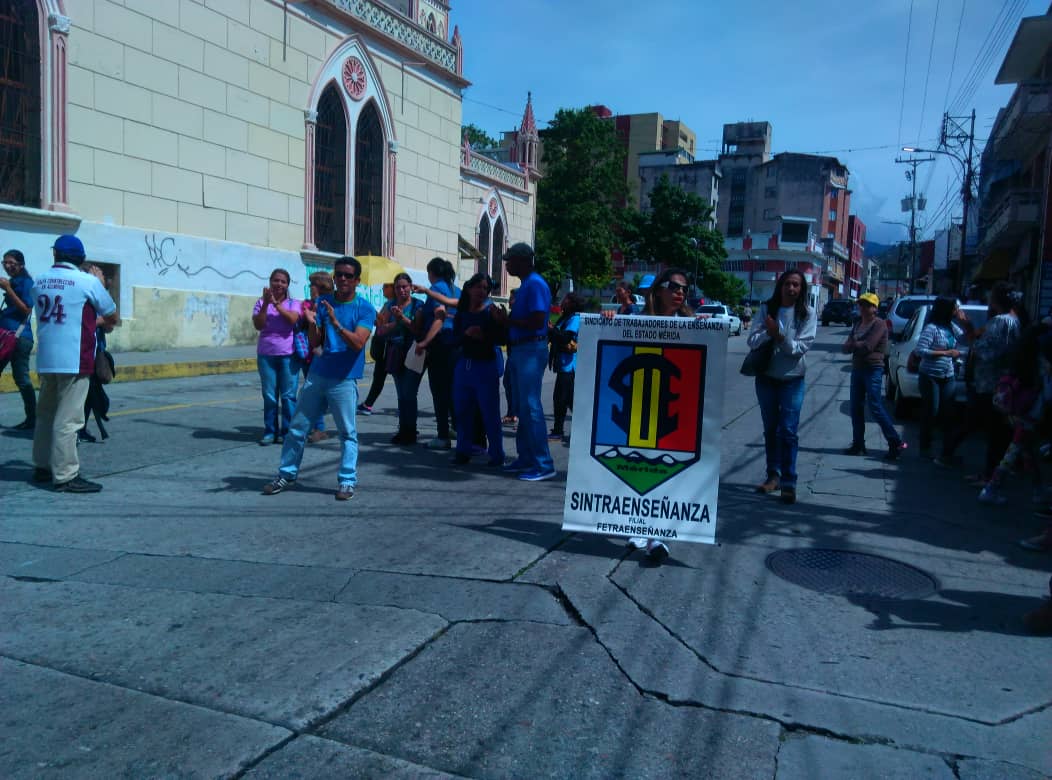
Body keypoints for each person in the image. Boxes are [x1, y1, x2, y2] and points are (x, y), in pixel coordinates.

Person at [262, 256, 376, 500]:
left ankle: (346, 481)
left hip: (344, 379)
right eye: (339, 274)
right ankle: (287, 474)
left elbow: (357, 344)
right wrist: (313, 323)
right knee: (297, 428)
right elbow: (315, 342)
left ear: (357, 280)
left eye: (348, 275)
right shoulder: (323, 301)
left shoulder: (365, 308)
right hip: (318, 374)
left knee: (347, 433)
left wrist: (335, 322)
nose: (342, 279)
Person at [602, 268, 694, 563]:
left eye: (684, 289)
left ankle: (657, 538)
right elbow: (613, 345)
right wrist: (609, 322)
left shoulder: (691, 324)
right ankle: (636, 526)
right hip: (638, 402)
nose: (680, 292)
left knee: (665, 470)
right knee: (636, 464)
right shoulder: (635, 319)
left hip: (670, 407)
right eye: (674, 286)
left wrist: (707, 328)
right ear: (658, 290)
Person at [31, 234, 118, 493]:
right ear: (80, 259)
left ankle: (42, 466)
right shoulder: (87, 281)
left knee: (45, 414)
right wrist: (100, 284)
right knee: (69, 419)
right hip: (74, 356)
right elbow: (112, 316)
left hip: (47, 357)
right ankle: (66, 474)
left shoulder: (39, 280)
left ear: (55, 255)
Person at [745, 269, 817, 504]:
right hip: (766, 378)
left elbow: (799, 349)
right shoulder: (767, 309)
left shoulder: (807, 314)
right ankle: (773, 475)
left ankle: (789, 481)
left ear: (801, 289)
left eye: (796, 285)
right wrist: (769, 332)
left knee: (787, 431)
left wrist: (780, 335)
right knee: (770, 429)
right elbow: (752, 340)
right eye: (787, 284)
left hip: (792, 379)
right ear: (781, 286)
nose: (791, 288)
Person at [944, 282, 1024, 484]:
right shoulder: (1015, 320)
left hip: (992, 384)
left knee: (993, 431)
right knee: (1000, 431)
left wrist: (968, 328)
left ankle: (991, 474)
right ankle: (1001, 470)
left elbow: (985, 351)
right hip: (1005, 384)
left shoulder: (1001, 322)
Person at [491, 242, 555, 482]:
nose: (507, 265)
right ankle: (527, 458)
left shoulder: (535, 284)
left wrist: (507, 321)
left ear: (524, 261)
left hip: (530, 348)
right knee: (521, 406)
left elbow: (538, 320)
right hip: (521, 349)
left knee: (530, 406)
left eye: (510, 260)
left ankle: (543, 463)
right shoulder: (528, 284)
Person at [451, 273, 506, 466]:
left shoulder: (491, 311)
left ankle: (497, 454)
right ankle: (462, 450)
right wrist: (466, 334)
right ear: (469, 288)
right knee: (462, 411)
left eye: (486, 288)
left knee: (489, 413)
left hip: (485, 366)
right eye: (479, 287)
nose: (482, 291)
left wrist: (497, 325)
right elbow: (453, 340)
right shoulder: (462, 311)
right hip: (464, 366)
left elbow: (502, 339)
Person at [842, 292, 905, 459]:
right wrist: (854, 345)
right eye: (861, 304)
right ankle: (858, 443)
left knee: (875, 407)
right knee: (856, 408)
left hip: (873, 369)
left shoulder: (880, 324)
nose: (862, 307)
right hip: (857, 369)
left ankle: (895, 442)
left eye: (867, 305)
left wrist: (854, 344)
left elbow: (868, 346)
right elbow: (845, 348)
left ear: (875, 308)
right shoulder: (857, 323)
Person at [252, 268, 303, 445]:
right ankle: (270, 431)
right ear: (270, 282)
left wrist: (276, 304)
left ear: (287, 285)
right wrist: (266, 304)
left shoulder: (294, 303)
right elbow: (258, 325)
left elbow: (292, 320)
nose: (279, 284)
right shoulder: (260, 303)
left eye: (283, 281)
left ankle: (286, 431)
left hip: (288, 355)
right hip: (266, 355)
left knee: (288, 396)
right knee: (269, 396)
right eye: (276, 280)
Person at [414, 258, 459, 449]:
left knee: (439, 392)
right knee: (452, 391)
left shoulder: (437, 289)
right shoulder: (455, 289)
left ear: (432, 272)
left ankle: (442, 436)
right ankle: (456, 429)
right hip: (456, 345)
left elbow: (439, 317)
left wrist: (424, 342)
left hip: (440, 345)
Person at [914, 297, 964, 461]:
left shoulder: (951, 327)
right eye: (954, 308)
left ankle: (947, 451)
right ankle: (925, 447)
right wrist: (946, 353)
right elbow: (920, 350)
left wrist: (964, 321)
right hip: (930, 375)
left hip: (948, 374)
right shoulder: (932, 328)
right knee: (932, 412)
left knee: (949, 413)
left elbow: (966, 338)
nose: (956, 310)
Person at [377, 273, 423, 445]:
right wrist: (395, 323)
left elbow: (418, 330)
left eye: (404, 286)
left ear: (411, 287)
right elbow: (380, 330)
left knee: (409, 393)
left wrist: (401, 318)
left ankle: (410, 430)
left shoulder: (418, 305)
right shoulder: (389, 305)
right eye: (398, 287)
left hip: (413, 352)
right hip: (395, 352)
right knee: (401, 394)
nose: (402, 290)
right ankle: (404, 429)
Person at [77, 263, 116, 443]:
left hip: (96, 350)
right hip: (79, 351)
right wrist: (97, 320)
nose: (101, 278)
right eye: (96, 274)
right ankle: (74, 431)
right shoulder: (81, 293)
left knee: (90, 392)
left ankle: (81, 428)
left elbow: (110, 324)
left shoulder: (100, 296)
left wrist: (100, 320)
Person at [0, 249, 35, 430]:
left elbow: (27, 310)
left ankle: (32, 417)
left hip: (19, 338)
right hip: (7, 336)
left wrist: (8, 289)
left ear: (21, 265)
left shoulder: (26, 282)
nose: (8, 266)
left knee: (21, 378)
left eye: (12, 263)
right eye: (5, 263)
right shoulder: (14, 282)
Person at [300, 271, 333, 444]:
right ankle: (317, 427)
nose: (310, 287)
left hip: (325, 355)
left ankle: (319, 427)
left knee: (324, 394)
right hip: (309, 354)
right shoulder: (306, 304)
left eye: (313, 284)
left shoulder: (331, 305)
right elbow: (299, 323)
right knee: (313, 393)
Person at [548, 292, 584, 441]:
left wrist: (551, 330)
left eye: (566, 300)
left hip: (569, 365)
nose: (563, 302)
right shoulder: (565, 318)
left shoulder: (574, 319)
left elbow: (566, 338)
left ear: (572, 303)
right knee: (568, 399)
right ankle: (584, 429)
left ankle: (558, 430)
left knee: (560, 399)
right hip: (563, 364)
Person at [358, 281, 394, 416]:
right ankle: (368, 403)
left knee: (379, 376)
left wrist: (373, 313)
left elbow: (383, 323)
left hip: (386, 346)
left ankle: (368, 404)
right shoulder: (388, 303)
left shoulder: (392, 304)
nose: (383, 288)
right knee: (379, 377)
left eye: (386, 286)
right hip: (383, 345)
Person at [501, 287, 519, 427]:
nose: (509, 301)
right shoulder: (513, 314)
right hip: (512, 354)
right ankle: (512, 412)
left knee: (513, 385)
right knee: (508, 384)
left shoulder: (519, 315)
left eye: (512, 298)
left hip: (518, 356)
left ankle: (514, 414)